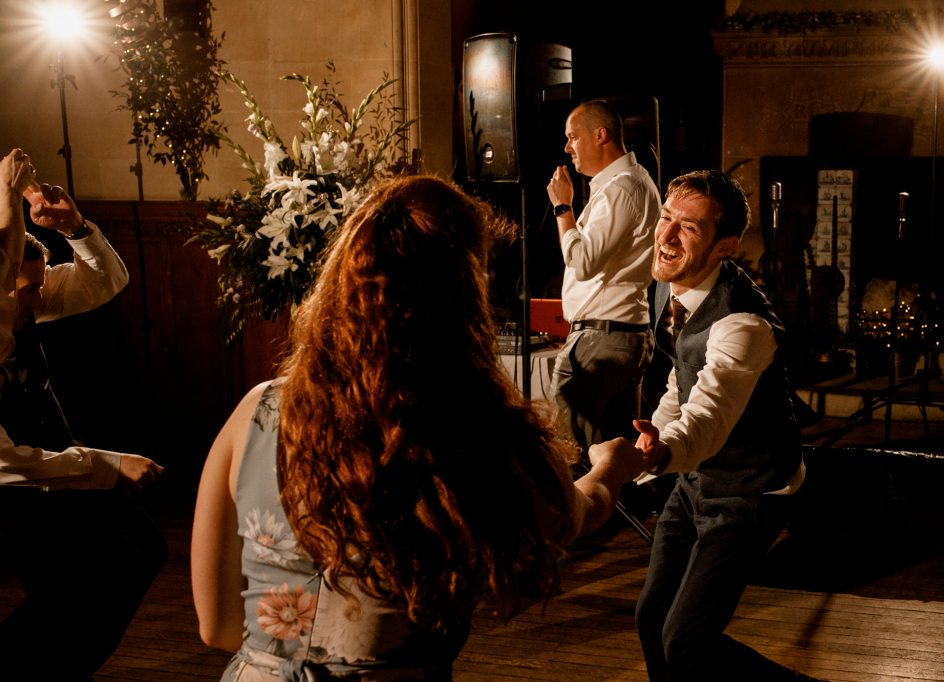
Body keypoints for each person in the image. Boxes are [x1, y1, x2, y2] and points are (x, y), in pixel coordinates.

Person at [191, 174, 645, 682]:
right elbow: (575, 512)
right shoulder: (482, 430)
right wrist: (613, 467)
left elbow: (218, 627)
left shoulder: (257, 411)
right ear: (466, 297)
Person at [631, 170, 817, 681]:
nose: (666, 236)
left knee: (685, 642)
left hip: (751, 490)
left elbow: (709, 416)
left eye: (688, 229)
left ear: (725, 246)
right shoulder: (672, 286)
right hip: (697, 479)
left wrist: (663, 453)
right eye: (667, 217)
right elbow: (681, 382)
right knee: (651, 619)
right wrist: (640, 455)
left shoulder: (744, 325)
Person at [0, 149, 167, 681]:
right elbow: (6, 463)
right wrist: (107, 464)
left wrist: (75, 228)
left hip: (63, 468)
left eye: (41, 283)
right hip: (19, 489)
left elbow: (104, 281)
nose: (39, 298)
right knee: (73, 588)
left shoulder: (32, 299)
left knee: (143, 549)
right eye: (25, 290)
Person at [545, 99, 660, 454]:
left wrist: (563, 209)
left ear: (600, 135)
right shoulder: (628, 184)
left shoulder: (622, 189)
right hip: (616, 334)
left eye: (572, 138)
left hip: (602, 338)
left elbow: (583, 262)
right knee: (611, 458)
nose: (567, 148)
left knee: (570, 454)